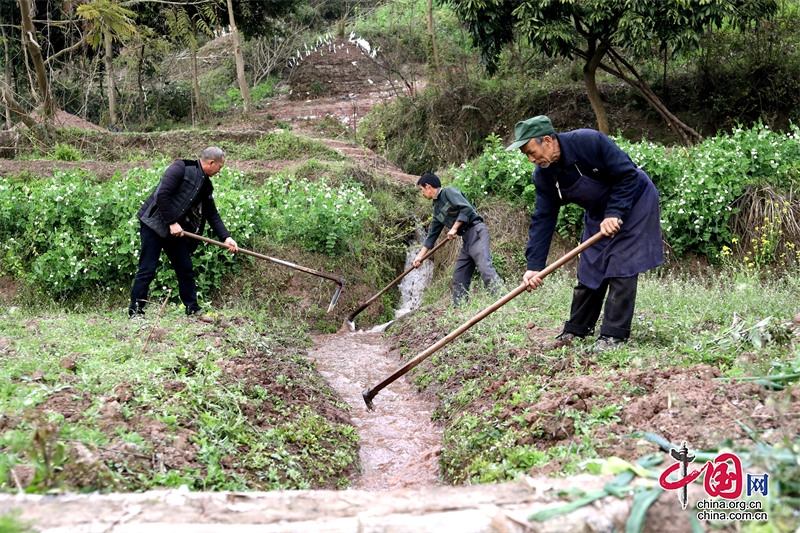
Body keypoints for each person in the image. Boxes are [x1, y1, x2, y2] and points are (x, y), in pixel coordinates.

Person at [507, 116, 663, 352]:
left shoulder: (589, 141)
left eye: (532, 152)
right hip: (599, 213)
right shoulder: (544, 176)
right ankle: (576, 330)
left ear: (547, 140)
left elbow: (628, 174)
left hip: (635, 200)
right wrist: (534, 265)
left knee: (621, 264)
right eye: (526, 155)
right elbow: (543, 218)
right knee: (590, 267)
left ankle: (613, 336)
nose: (531, 160)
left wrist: (615, 212)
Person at [129, 146, 238, 317]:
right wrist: (172, 222)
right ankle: (136, 311)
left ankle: (192, 309)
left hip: (175, 231)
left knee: (185, 268)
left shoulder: (205, 185)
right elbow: (162, 195)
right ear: (211, 162)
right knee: (147, 268)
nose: (219, 170)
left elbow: (211, 213)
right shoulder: (181, 168)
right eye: (220, 167)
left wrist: (226, 237)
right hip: (154, 224)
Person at [413, 173, 503, 306]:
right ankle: (460, 309)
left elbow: (466, 208)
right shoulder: (437, 208)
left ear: (428, 186)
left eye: (421, 189)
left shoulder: (448, 192)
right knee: (459, 276)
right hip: (466, 239)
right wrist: (419, 257)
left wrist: (454, 228)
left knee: (485, 267)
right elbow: (432, 235)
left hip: (476, 232)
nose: (422, 193)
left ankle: (503, 300)